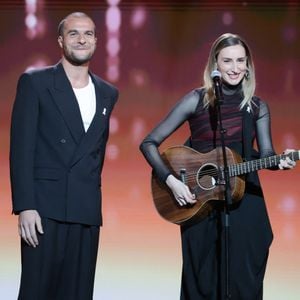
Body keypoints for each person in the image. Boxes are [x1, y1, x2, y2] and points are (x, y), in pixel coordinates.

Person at [140, 33, 296, 300]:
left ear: (248, 65)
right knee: (202, 279)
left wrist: (280, 162)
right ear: (215, 64)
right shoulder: (196, 100)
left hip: (246, 203)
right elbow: (149, 142)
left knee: (244, 280)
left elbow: (267, 154)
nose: (235, 68)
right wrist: (172, 181)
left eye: (240, 61)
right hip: (200, 203)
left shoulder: (257, 107)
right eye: (227, 61)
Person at [10, 12, 118, 300]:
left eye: (88, 34)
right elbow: (21, 149)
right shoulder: (35, 83)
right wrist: (25, 206)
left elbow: (96, 155)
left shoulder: (108, 93)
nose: (81, 39)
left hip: (85, 210)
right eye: (73, 33)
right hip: (44, 208)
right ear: (60, 40)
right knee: (37, 291)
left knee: (78, 293)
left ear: (96, 40)